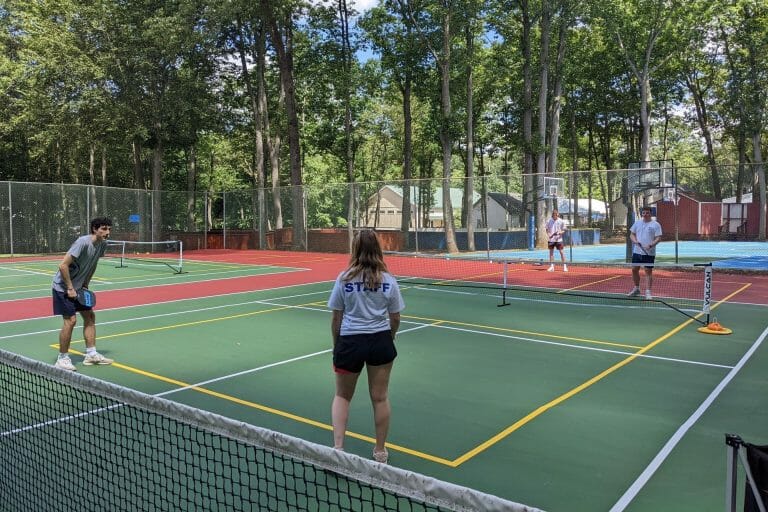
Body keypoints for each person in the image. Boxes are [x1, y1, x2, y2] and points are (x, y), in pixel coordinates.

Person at [327, 230, 405, 464]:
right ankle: (380, 451)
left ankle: (338, 448)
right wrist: (388, 337)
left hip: (350, 341)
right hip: (380, 340)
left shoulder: (344, 279)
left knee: (342, 396)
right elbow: (396, 318)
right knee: (379, 398)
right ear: (378, 249)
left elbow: (336, 319)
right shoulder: (389, 281)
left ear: (355, 249)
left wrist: (337, 345)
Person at [52, 217, 114, 371]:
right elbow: (63, 266)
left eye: (109, 229)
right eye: (104, 229)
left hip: (79, 287)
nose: (108, 232)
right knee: (70, 321)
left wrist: (85, 284)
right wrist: (70, 288)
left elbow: (93, 264)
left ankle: (91, 354)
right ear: (94, 229)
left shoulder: (102, 245)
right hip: (62, 287)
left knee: (90, 316)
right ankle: (62, 358)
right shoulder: (82, 242)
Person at [627, 206, 663, 300]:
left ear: (651, 213)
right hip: (637, 252)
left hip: (649, 252)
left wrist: (651, 245)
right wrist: (635, 241)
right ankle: (636, 289)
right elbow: (631, 234)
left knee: (648, 271)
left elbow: (658, 238)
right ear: (642, 214)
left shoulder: (656, 224)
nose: (645, 214)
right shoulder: (637, 223)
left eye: (647, 213)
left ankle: (648, 292)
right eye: (644, 213)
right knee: (634, 269)